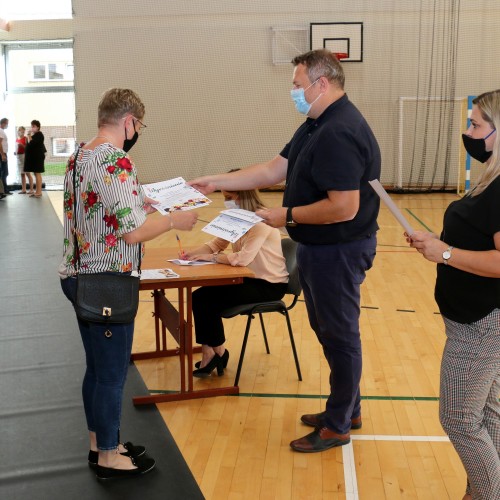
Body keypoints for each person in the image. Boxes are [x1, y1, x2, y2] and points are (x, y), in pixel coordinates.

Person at [189, 49, 381, 452]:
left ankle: (339, 423)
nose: (293, 91)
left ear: (321, 83)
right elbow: (273, 169)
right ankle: (348, 407)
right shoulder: (315, 124)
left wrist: (284, 215)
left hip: (339, 251)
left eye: (297, 84)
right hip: (320, 249)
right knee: (329, 332)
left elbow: (344, 206)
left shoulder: (339, 131)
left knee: (340, 336)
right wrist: (215, 180)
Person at [59, 88, 198, 480]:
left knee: (97, 370)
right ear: (129, 122)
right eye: (139, 125)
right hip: (106, 282)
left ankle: (101, 442)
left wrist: (146, 203)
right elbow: (134, 232)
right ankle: (108, 456)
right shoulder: (115, 158)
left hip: (79, 276)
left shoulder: (79, 155)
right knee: (111, 374)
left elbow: (104, 209)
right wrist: (174, 219)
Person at [408, 89, 500, 500]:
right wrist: (437, 244)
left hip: (482, 323)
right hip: (475, 319)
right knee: (491, 413)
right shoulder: (491, 179)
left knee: (460, 419)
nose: (468, 132)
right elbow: (476, 237)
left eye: (476, 124)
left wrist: (444, 252)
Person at [180, 180, 288, 377]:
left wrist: (210, 258)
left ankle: (213, 354)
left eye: (229, 198)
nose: (226, 202)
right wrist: (190, 255)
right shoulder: (235, 218)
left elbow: (242, 259)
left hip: (268, 284)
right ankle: (215, 351)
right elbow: (215, 245)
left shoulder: (262, 221)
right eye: (224, 198)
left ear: (243, 196)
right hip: (248, 278)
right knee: (201, 297)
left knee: (204, 299)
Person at [24, 120, 45, 198]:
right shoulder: (35, 135)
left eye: (34, 126)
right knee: (36, 174)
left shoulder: (39, 135)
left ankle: (39, 192)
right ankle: (37, 191)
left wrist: (29, 135)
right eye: (31, 126)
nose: (32, 128)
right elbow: (29, 144)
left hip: (38, 158)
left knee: (37, 173)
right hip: (34, 158)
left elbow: (32, 143)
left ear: (38, 127)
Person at [14, 126, 33, 194]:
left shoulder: (25, 138)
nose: (21, 132)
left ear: (24, 131)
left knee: (27, 173)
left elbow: (27, 148)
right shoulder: (17, 139)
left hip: (24, 156)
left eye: (22, 131)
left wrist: (22, 145)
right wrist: (15, 152)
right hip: (18, 157)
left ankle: (31, 189)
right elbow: (16, 148)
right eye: (20, 130)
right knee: (22, 174)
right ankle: (23, 189)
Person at [0, 117, 11, 195]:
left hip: (3, 153)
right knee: (4, 172)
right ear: (3, 123)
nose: (7, 125)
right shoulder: (0, 131)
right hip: (2, 153)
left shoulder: (2, 131)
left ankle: (5, 190)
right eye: (7, 123)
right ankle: (3, 191)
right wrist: (3, 155)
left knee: (5, 172)